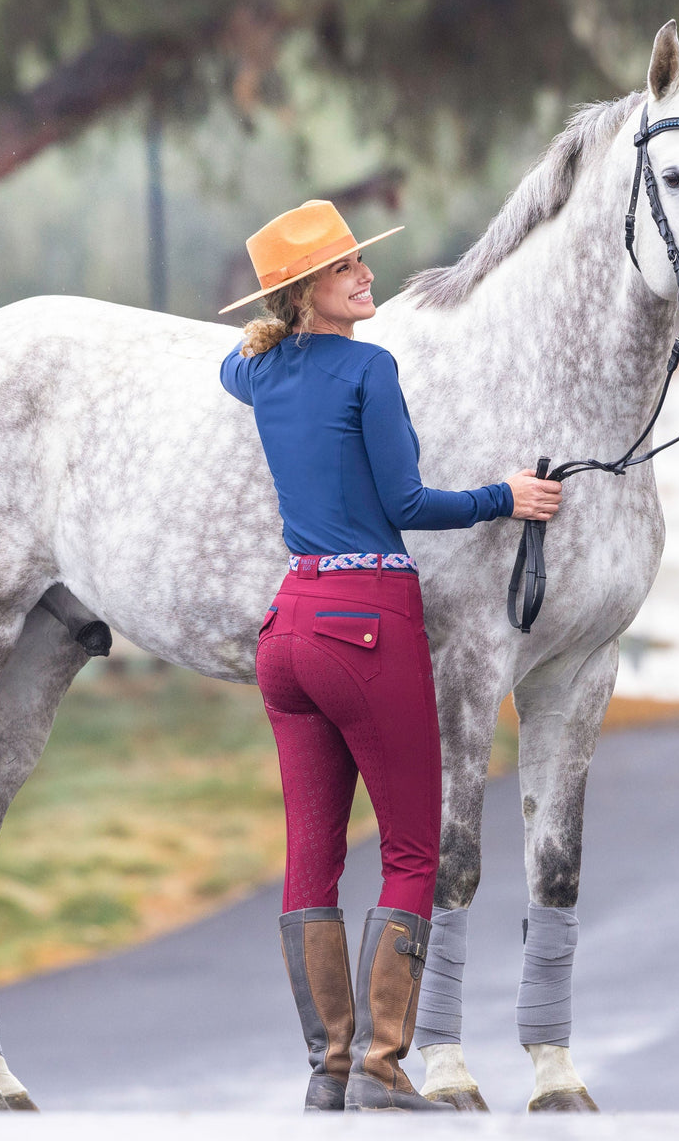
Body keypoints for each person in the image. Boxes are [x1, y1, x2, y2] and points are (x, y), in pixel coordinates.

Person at [218, 200, 561, 1112]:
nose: (364, 275)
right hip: (365, 622)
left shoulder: (259, 370)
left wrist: (269, 334)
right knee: (412, 846)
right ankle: (379, 1066)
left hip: (288, 627)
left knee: (311, 856)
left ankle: (327, 1071)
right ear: (306, 291)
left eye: (357, 262)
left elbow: (229, 365)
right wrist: (506, 496)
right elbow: (407, 503)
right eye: (344, 269)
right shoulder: (370, 368)